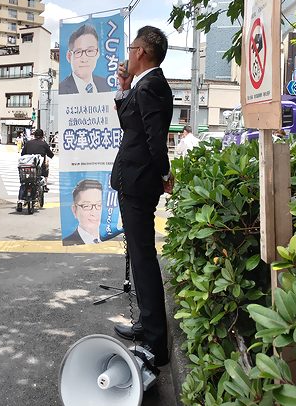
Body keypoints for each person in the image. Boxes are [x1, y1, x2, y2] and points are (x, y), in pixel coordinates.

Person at [111, 26, 174, 367]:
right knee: (139, 256)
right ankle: (147, 326)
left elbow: (154, 140)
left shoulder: (151, 86)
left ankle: (155, 343)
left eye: (132, 47)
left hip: (138, 182)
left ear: (142, 53)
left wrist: (164, 175)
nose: (128, 53)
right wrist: (123, 89)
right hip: (134, 180)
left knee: (143, 258)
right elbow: (130, 125)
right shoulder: (144, 85)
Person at [59, 24, 112, 94]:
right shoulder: (62, 89)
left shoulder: (105, 85)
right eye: (78, 52)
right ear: (69, 56)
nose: (84, 59)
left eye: (90, 51)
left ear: (98, 53)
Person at [17, 129, 54, 211]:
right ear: (42, 136)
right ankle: (43, 187)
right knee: (38, 179)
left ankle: (20, 200)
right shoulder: (44, 144)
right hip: (37, 169)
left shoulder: (28, 143)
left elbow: (22, 154)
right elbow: (51, 155)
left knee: (24, 183)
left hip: (26, 168)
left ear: (34, 135)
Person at [63, 179, 103, 245]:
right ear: (74, 210)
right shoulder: (68, 242)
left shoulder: (108, 237)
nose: (94, 213)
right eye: (87, 206)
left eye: (98, 205)